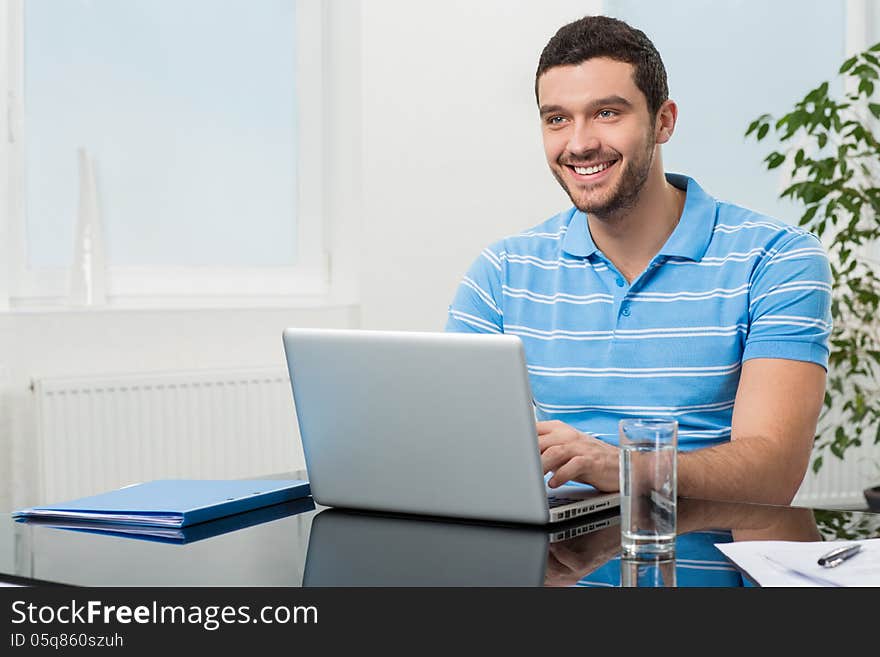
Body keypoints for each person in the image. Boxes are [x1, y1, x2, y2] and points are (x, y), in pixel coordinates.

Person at [445, 15, 831, 505]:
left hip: (703, 566)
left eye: (607, 112)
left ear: (663, 121)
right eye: (557, 118)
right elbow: (455, 452)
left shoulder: (778, 260)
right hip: (552, 565)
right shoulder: (502, 272)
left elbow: (774, 473)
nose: (579, 143)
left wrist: (623, 467)